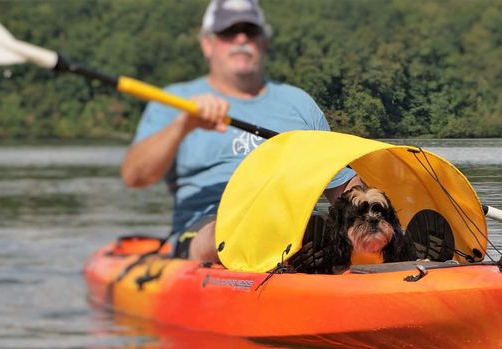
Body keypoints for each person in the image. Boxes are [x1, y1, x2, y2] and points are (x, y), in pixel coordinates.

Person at [121, 0, 359, 263]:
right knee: (232, 228)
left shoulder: (299, 103)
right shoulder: (175, 100)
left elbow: (341, 186)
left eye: (250, 31)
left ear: (264, 42)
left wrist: (369, 207)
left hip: (293, 222)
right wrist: (183, 125)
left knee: (361, 212)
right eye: (228, 32)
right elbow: (136, 176)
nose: (241, 39)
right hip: (206, 232)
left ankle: (316, 246)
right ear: (207, 44)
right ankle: (287, 240)